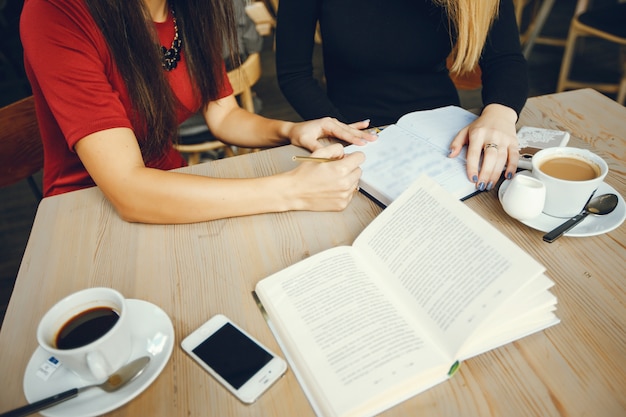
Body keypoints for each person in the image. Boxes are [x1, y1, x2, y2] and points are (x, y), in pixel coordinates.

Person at [19, 0, 377, 224]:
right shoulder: (55, 10)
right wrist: (291, 191)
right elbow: (127, 189)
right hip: (84, 210)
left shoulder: (191, 9)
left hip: (173, 188)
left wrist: (290, 131)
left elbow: (223, 115)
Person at [275, 0, 528, 192]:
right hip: (350, 131)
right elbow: (294, 74)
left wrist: (500, 112)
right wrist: (341, 132)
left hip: (446, 140)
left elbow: (505, 59)